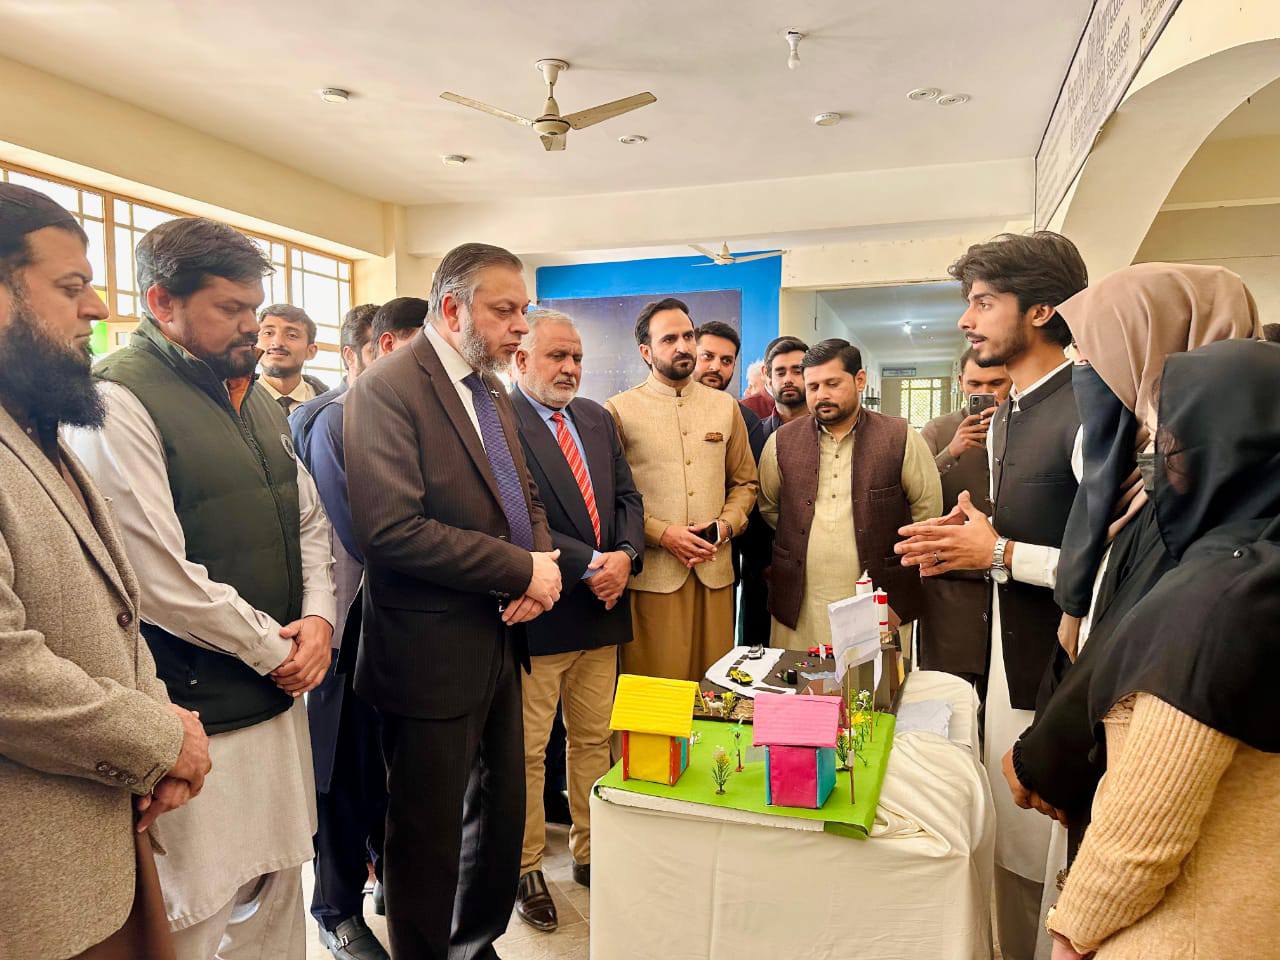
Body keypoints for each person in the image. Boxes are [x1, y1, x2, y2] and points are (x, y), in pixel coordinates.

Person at [66, 217, 336, 960]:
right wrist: (274, 649)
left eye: (255, 307)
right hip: (197, 708)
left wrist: (319, 620)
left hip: (278, 693)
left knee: (278, 892)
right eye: (230, 309)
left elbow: (308, 519)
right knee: (198, 912)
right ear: (163, 301)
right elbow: (154, 575)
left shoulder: (253, 396)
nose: (252, 327)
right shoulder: (118, 398)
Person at [988, 264, 1262, 947]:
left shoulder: (1209, 506)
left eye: (1096, 351)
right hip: (1089, 749)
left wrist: (999, 554)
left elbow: (1157, 665)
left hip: (1172, 867)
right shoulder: (1144, 467)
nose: (1085, 368)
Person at [0, 184, 211, 960]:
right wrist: (162, 738)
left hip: (98, 841)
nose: (94, 309)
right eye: (70, 287)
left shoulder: (34, 430)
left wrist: (161, 733)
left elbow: (114, 612)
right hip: (28, 878)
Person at [344, 243, 562, 959]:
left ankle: (472, 945)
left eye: (523, 310)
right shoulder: (388, 388)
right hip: (427, 652)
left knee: (496, 819)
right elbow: (390, 531)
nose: (520, 326)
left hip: (499, 636)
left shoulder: (491, 390)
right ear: (452, 309)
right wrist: (519, 569)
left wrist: (538, 569)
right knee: (427, 832)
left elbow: (523, 498)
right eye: (505, 311)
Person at [1044, 339, 1280, 959]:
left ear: (1227, 449)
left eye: (1172, 439)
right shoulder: (1258, 565)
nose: (1157, 456)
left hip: (1184, 930)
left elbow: (1144, 828)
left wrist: (1073, 930)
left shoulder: (1218, 599)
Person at [896, 231, 1087, 960]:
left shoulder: (1088, 408)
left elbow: (1115, 570)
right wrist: (968, 536)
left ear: (1040, 310)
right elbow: (1023, 531)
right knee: (1009, 844)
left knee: (1051, 862)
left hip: (1066, 667)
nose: (965, 320)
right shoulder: (1009, 414)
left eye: (983, 303)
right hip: (1010, 658)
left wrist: (998, 552)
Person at [292, 301, 428, 960]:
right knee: (342, 778)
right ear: (374, 348)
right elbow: (370, 532)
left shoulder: (413, 416)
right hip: (344, 632)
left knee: (392, 773)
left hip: (405, 630)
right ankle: (336, 909)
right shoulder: (333, 420)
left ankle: (386, 881)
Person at [508, 309, 644, 932]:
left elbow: (627, 498)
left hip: (603, 611)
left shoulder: (594, 417)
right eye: (557, 356)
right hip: (541, 612)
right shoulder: (499, 421)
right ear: (521, 359)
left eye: (577, 358)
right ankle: (526, 867)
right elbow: (515, 517)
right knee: (528, 752)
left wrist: (627, 556)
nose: (570, 368)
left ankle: (592, 853)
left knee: (594, 740)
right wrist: (593, 563)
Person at [605, 298, 758, 682]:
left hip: (715, 573)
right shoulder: (619, 411)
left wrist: (725, 526)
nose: (683, 346)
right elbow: (610, 498)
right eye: (669, 339)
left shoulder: (725, 407)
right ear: (646, 351)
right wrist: (662, 534)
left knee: (714, 691)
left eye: (688, 336)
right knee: (656, 695)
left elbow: (745, 483)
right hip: (653, 578)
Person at [758, 338, 940, 651]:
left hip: (879, 596)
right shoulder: (782, 441)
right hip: (801, 599)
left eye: (832, 384)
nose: (821, 395)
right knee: (800, 676)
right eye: (813, 387)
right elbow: (770, 507)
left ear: (859, 380)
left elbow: (927, 510)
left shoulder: (900, 437)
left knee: (873, 679)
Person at [915, 348, 1010, 687]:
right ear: (960, 382)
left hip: (1013, 581)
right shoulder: (938, 430)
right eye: (975, 384)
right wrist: (951, 452)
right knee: (947, 689)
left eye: (996, 383)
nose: (985, 393)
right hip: (951, 586)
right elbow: (913, 493)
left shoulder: (1025, 427)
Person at [694, 320, 770, 647]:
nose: (716, 367)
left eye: (726, 361)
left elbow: (747, 487)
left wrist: (723, 528)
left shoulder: (743, 419)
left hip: (721, 560)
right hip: (656, 565)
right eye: (707, 356)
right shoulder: (640, 410)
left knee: (717, 658)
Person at [257, 303, 331, 414]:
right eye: (268, 333)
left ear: (310, 351)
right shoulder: (234, 403)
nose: (277, 342)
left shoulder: (329, 404)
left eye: (292, 335)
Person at [760, 336, 809, 437]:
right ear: (769, 378)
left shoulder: (830, 431)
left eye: (797, 372)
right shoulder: (754, 434)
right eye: (781, 373)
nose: (788, 380)